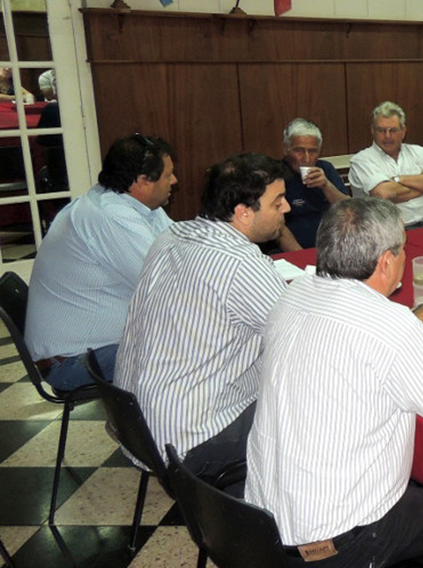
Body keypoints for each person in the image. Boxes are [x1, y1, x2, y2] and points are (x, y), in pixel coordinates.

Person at [246, 197, 423, 567]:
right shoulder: (390, 325)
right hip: (338, 539)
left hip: (261, 524)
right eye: (403, 248)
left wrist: (418, 316)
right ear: (386, 261)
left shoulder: (292, 293)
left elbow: (356, 337)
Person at [115, 153, 290, 478]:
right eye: (277, 202)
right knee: (314, 396)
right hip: (186, 443)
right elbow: (307, 339)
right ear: (243, 213)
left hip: (136, 428)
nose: (287, 208)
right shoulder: (241, 264)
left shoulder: (173, 235)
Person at [25, 135, 176, 390]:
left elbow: (185, 249)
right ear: (142, 182)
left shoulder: (132, 204)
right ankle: (141, 429)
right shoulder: (109, 217)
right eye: (168, 175)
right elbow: (170, 287)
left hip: (97, 348)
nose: (174, 180)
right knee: (202, 353)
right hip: (73, 362)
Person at [348, 101, 423, 229]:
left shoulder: (418, 152)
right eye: (381, 130)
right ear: (372, 130)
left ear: (403, 131)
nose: (388, 136)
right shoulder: (362, 160)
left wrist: (399, 180)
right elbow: (384, 194)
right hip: (386, 233)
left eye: (393, 130)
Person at [276, 118, 349, 252]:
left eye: (313, 151)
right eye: (299, 151)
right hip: (294, 250)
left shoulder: (326, 169)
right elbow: (277, 227)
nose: (307, 158)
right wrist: (303, 257)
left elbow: (349, 210)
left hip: (333, 248)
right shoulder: (275, 174)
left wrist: (327, 186)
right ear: (285, 149)